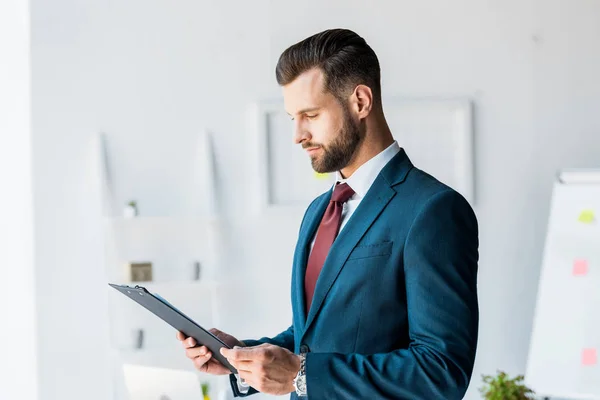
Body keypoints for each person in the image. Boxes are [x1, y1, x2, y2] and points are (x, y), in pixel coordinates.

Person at [177, 28, 479, 399]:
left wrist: (301, 376)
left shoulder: (432, 210)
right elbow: (314, 337)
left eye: (311, 114)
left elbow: (441, 371)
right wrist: (239, 357)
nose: (298, 135)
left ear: (361, 102)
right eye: (293, 118)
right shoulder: (319, 211)